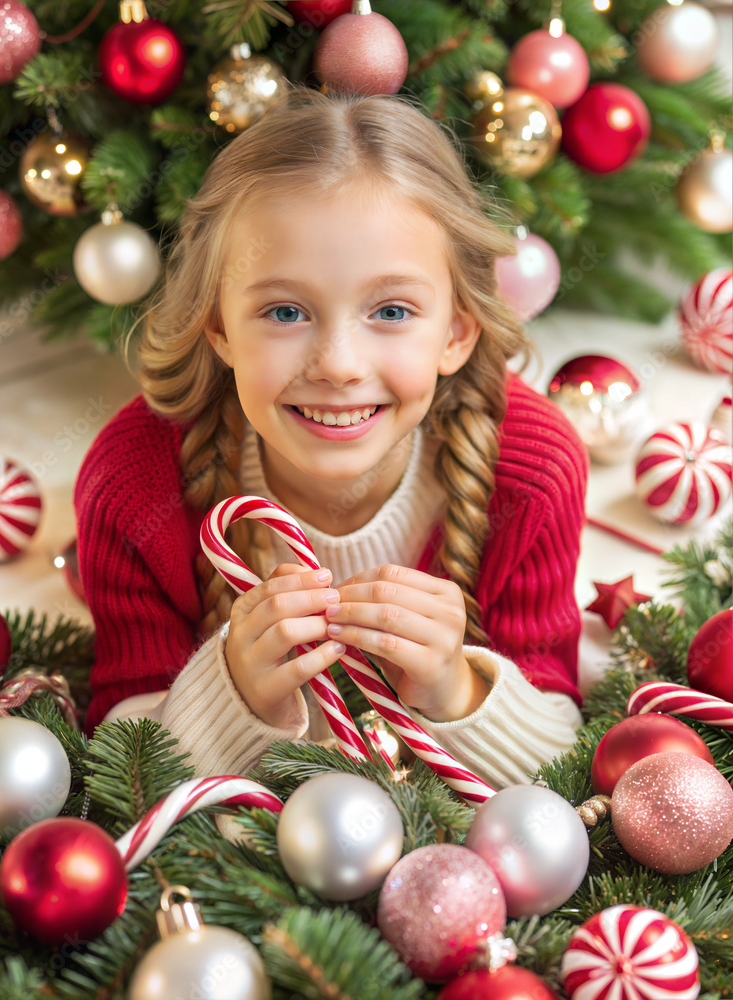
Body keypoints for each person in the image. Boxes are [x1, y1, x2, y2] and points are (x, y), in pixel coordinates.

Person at [74, 87, 588, 789]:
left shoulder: (531, 471)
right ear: (218, 325)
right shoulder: (135, 483)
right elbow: (120, 771)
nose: (339, 365)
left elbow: (564, 759)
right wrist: (234, 693)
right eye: (285, 311)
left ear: (458, 330)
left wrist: (456, 690)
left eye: (392, 310)